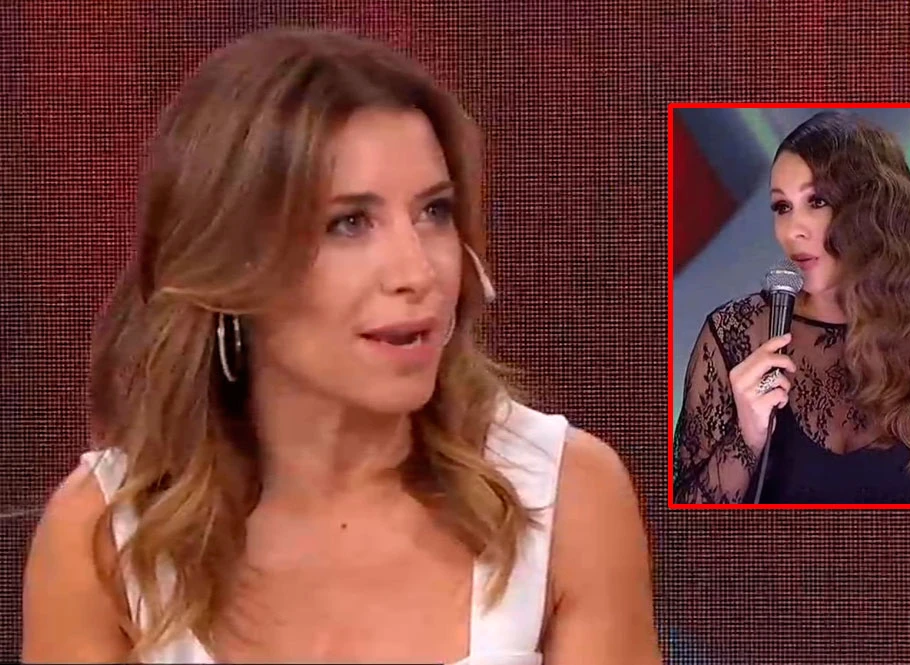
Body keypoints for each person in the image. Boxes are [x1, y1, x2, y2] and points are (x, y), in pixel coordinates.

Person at [21, 28, 661, 664]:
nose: (417, 271)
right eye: (349, 223)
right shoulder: (105, 536)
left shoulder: (563, 497)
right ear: (233, 261)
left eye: (434, 212)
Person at [672, 111, 910, 505]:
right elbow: (685, 523)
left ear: (873, 209)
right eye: (782, 207)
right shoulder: (731, 333)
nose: (792, 230)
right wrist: (746, 437)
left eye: (816, 201)